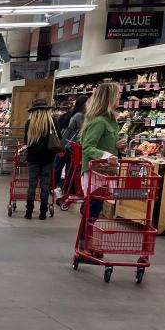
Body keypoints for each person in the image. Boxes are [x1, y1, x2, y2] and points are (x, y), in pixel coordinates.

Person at [79, 83, 126, 250]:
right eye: (117, 95)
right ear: (108, 98)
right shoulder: (99, 122)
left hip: (104, 172)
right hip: (96, 173)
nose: (119, 98)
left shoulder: (111, 121)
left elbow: (104, 144)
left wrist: (118, 147)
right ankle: (84, 244)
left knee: (94, 209)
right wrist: (107, 155)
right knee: (93, 210)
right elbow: (87, 147)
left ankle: (86, 242)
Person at [22, 99, 61, 220]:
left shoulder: (29, 123)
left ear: (33, 111)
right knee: (45, 184)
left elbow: (26, 141)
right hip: (48, 158)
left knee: (32, 184)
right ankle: (43, 213)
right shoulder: (52, 121)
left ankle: (29, 212)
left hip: (33, 158)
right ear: (46, 110)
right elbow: (59, 137)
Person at [54, 96, 87, 192]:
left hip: (66, 144)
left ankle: (54, 187)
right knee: (68, 168)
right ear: (83, 105)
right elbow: (75, 132)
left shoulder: (70, 113)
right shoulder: (79, 116)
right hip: (69, 145)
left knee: (60, 166)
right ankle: (68, 190)